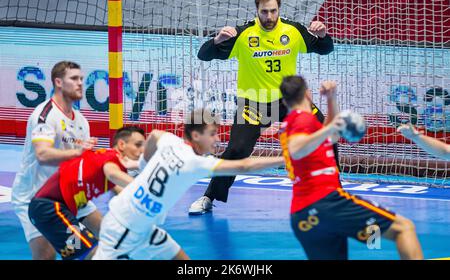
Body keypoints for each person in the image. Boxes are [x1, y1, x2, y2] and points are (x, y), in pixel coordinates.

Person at [189, 0, 337, 214]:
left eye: (273, 11)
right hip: (253, 103)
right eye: (264, 12)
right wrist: (217, 39)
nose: (269, 17)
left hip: (289, 101)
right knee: (237, 149)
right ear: (257, 11)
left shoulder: (293, 30)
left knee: (326, 131)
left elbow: (325, 50)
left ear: (279, 10)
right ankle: (209, 197)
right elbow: (204, 55)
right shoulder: (243, 34)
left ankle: (334, 191)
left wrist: (324, 35)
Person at [92, 109, 285, 260]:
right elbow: (244, 166)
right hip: (124, 226)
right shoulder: (195, 163)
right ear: (195, 135)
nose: (218, 139)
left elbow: (155, 136)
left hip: (144, 227)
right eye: (212, 134)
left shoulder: (170, 141)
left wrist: (143, 163)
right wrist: (285, 157)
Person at [279, 75, 423, 260]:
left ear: (284, 101)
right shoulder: (303, 120)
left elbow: (332, 137)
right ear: (308, 93)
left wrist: (331, 99)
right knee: (403, 229)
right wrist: (329, 129)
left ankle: (372, 243)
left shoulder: (295, 123)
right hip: (329, 204)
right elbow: (297, 150)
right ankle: (373, 244)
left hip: (304, 216)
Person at [11, 61, 100, 260]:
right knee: (46, 255)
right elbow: (43, 155)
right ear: (58, 82)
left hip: (70, 194)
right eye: (74, 79)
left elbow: (81, 162)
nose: (80, 84)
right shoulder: (45, 115)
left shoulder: (81, 121)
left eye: (81, 79)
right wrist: (78, 153)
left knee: (111, 234)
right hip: (36, 198)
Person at [28, 126, 145, 260]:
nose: (141, 150)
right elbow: (112, 173)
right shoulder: (112, 159)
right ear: (122, 144)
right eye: (138, 145)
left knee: (103, 248)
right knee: (95, 254)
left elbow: (122, 191)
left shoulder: (105, 158)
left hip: (61, 209)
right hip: (49, 208)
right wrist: (145, 187)